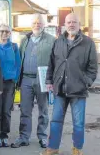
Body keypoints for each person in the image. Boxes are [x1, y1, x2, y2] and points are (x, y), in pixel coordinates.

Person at [42, 13, 98, 155]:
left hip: (78, 90)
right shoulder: (58, 41)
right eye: (68, 22)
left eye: (74, 22)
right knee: (55, 121)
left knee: (78, 123)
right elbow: (52, 63)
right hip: (60, 89)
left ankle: (77, 149)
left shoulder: (88, 42)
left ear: (79, 25)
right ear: (64, 25)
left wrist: (86, 82)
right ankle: (53, 148)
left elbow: (93, 67)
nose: (71, 24)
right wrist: (49, 81)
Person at [11, 13, 55, 149]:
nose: (37, 25)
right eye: (35, 22)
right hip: (26, 79)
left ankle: (42, 136)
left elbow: (56, 60)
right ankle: (24, 137)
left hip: (43, 79)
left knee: (43, 109)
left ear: (44, 25)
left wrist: (52, 80)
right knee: (25, 110)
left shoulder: (51, 40)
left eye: (39, 22)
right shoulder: (25, 39)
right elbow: (19, 59)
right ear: (31, 25)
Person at [0, 23, 21, 147]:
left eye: (7, 32)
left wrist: (14, 79)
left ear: (10, 33)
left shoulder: (14, 47)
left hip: (9, 83)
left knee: (6, 110)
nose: (4, 34)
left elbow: (18, 65)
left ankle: (5, 134)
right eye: (2, 31)